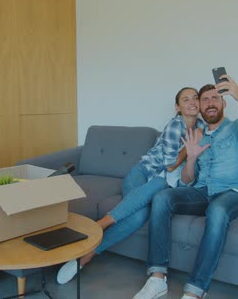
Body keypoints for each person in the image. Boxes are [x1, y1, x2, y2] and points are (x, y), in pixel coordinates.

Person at [56, 87, 203, 285]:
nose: (192, 102)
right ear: (178, 106)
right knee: (155, 188)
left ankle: (89, 251)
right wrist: (188, 149)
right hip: (142, 174)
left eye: (195, 98)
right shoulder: (176, 126)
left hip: (162, 183)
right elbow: (170, 165)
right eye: (186, 99)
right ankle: (97, 232)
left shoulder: (202, 126)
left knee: (141, 214)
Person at [133, 75, 238, 299]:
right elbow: (186, 181)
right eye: (205, 100)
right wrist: (190, 158)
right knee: (162, 197)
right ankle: (157, 278)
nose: (210, 102)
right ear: (200, 107)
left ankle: (195, 291)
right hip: (203, 191)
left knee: (218, 210)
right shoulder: (199, 137)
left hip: (232, 192)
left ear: (223, 104)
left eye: (215, 98)